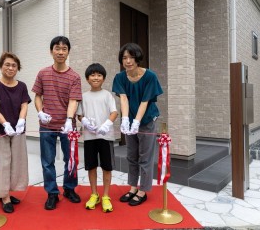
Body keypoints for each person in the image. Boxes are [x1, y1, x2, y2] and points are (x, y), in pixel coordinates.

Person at [32, 36, 82, 210]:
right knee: (47, 161)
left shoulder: (74, 76)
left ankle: (69, 189)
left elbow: (74, 100)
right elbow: (37, 96)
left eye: (64, 49)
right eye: (57, 48)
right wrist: (40, 112)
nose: (61, 52)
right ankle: (52, 193)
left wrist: (69, 120)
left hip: (68, 127)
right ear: (51, 51)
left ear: (68, 52)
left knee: (71, 160)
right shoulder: (43, 73)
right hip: (46, 126)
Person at [112, 43, 163, 206]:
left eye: (131, 57)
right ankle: (133, 187)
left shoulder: (150, 76)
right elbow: (124, 99)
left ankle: (143, 190)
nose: (128, 61)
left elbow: (145, 101)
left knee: (145, 157)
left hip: (146, 120)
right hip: (130, 121)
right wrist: (125, 119)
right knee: (131, 155)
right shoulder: (119, 77)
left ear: (138, 58)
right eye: (125, 58)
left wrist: (137, 121)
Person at [0, 52, 31, 213]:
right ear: (1, 66)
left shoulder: (21, 86)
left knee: (17, 161)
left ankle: (8, 191)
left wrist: (21, 121)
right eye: (7, 64)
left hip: (18, 128)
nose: (10, 68)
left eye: (14, 65)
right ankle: (4, 197)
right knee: (1, 162)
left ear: (18, 68)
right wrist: (5, 123)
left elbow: (24, 105)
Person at [76, 63, 118, 212]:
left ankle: (106, 196)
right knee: (91, 166)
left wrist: (107, 123)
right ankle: (94, 194)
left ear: (104, 78)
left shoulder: (107, 95)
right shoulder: (83, 96)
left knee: (107, 167)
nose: (96, 77)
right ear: (87, 78)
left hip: (105, 136)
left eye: (99, 75)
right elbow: (80, 114)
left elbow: (114, 112)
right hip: (89, 137)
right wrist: (85, 121)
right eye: (92, 75)